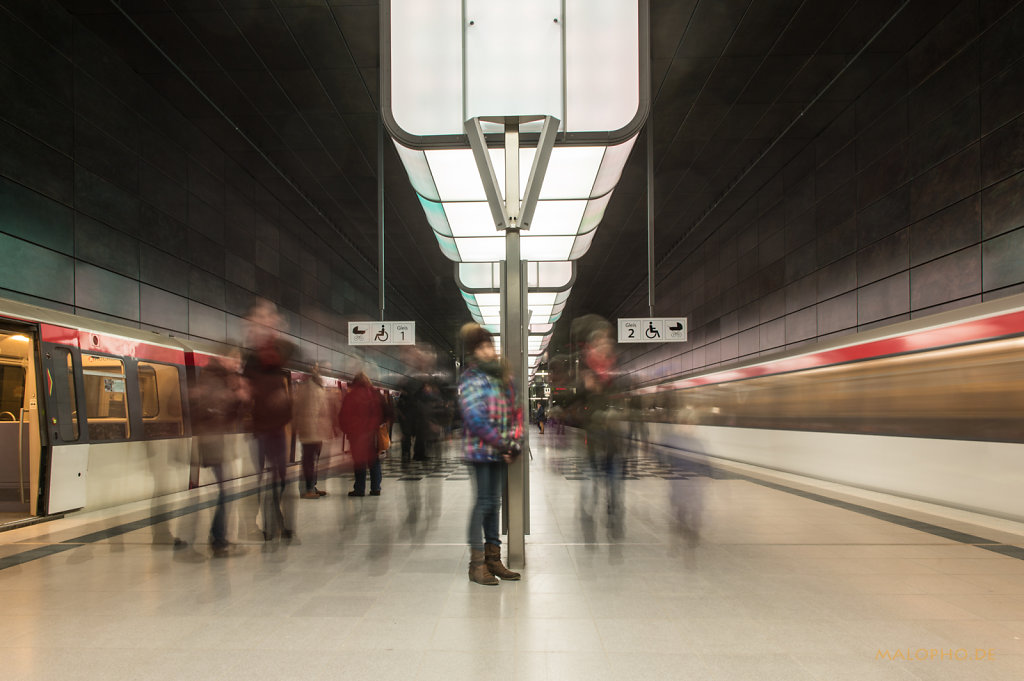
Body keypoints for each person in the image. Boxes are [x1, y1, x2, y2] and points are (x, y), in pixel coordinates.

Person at [457, 323, 522, 585]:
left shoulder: (504, 378)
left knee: (494, 504)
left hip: (499, 450)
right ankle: (476, 565)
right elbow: (475, 419)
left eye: (490, 345)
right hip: (480, 451)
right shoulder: (471, 379)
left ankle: (494, 559)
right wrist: (503, 444)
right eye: (482, 347)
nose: (488, 351)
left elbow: (516, 414)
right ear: (474, 352)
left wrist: (514, 443)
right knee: (483, 503)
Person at [243, 299, 295, 541]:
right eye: (261, 315)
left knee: (280, 477)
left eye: (269, 316)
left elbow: (289, 352)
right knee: (263, 478)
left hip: (276, 426)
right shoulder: (249, 356)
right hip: (259, 428)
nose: (265, 320)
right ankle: (264, 524)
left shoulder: (277, 350)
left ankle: (277, 520)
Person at [189, 355, 246, 556]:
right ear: (224, 358)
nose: (237, 363)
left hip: (215, 443)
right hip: (211, 443)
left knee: (223, 492)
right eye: (234, 358)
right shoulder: (214, 380)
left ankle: (218, 538)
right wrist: (235, 396)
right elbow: (213, 411)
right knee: (224, 492)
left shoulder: (216, 378)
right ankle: (217, 540)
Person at [339, 372, 384, 497]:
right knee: (374, 461)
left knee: (359, 462)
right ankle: (376, 488)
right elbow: (384, 412)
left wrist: (347, 430)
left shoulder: (351, 396)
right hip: (371, 434)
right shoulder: (375, 395)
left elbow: (343, 416)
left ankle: (359, 489)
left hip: (356, 434)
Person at [294, 365, 332, 499]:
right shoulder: (310, 389)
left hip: (316, 432)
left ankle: (312, 487)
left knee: (312, 461)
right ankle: (307, 489)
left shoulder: (316, 388)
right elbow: (310, 413)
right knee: (309, 461)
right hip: (311, 432)